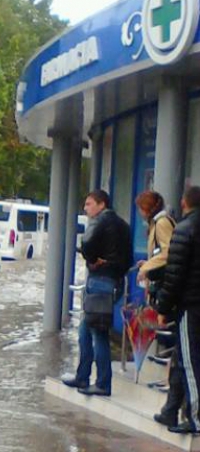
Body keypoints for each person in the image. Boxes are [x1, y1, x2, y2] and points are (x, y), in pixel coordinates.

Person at [62, 189, 133, 397]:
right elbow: (127, 260)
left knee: (98, 333)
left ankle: (102, 383)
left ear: (102, 204)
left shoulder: (100, 221)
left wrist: (93, 260)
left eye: (88, 204)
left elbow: (86, 244)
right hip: (115, 281)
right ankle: (83, 375)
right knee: (85, 330)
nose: (85, 208)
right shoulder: (124, 225)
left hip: (100, 281)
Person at [134, 190, 183, 428]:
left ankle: (172, 389)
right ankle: (170, 385)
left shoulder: (162, 223)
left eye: (141, 208)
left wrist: (147, 268)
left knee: (176, 338)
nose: (140, 213)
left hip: (169, 289)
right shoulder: (159, 222)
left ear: (148, 208)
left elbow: (167, 252)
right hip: (165, 284)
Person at [154, 185, 200, 435]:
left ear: (184, 203)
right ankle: (171, 409)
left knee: (190, 361)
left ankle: (194, 418)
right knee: (181, 359)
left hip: (190, 307)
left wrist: (163, 306)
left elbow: (174, 274)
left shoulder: (184, 230)